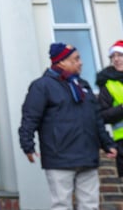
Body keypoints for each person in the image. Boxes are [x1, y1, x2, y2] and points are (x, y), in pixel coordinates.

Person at [20, 42, 117, 209]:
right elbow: (30, 118)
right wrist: (28, 146)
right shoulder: (42, 86)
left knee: (90, 205)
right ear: (61, 62)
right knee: (61, 205)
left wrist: (107, 144)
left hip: (87, 156)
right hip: (59, 157)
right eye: (76, 59)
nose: (81, 62)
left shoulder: (83, 86)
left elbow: (96, 119)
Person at [96, 40, 123, 178]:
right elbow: (102, 115)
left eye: (120, 55)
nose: (116, 59)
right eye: (113, 56)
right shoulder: (108, 85)